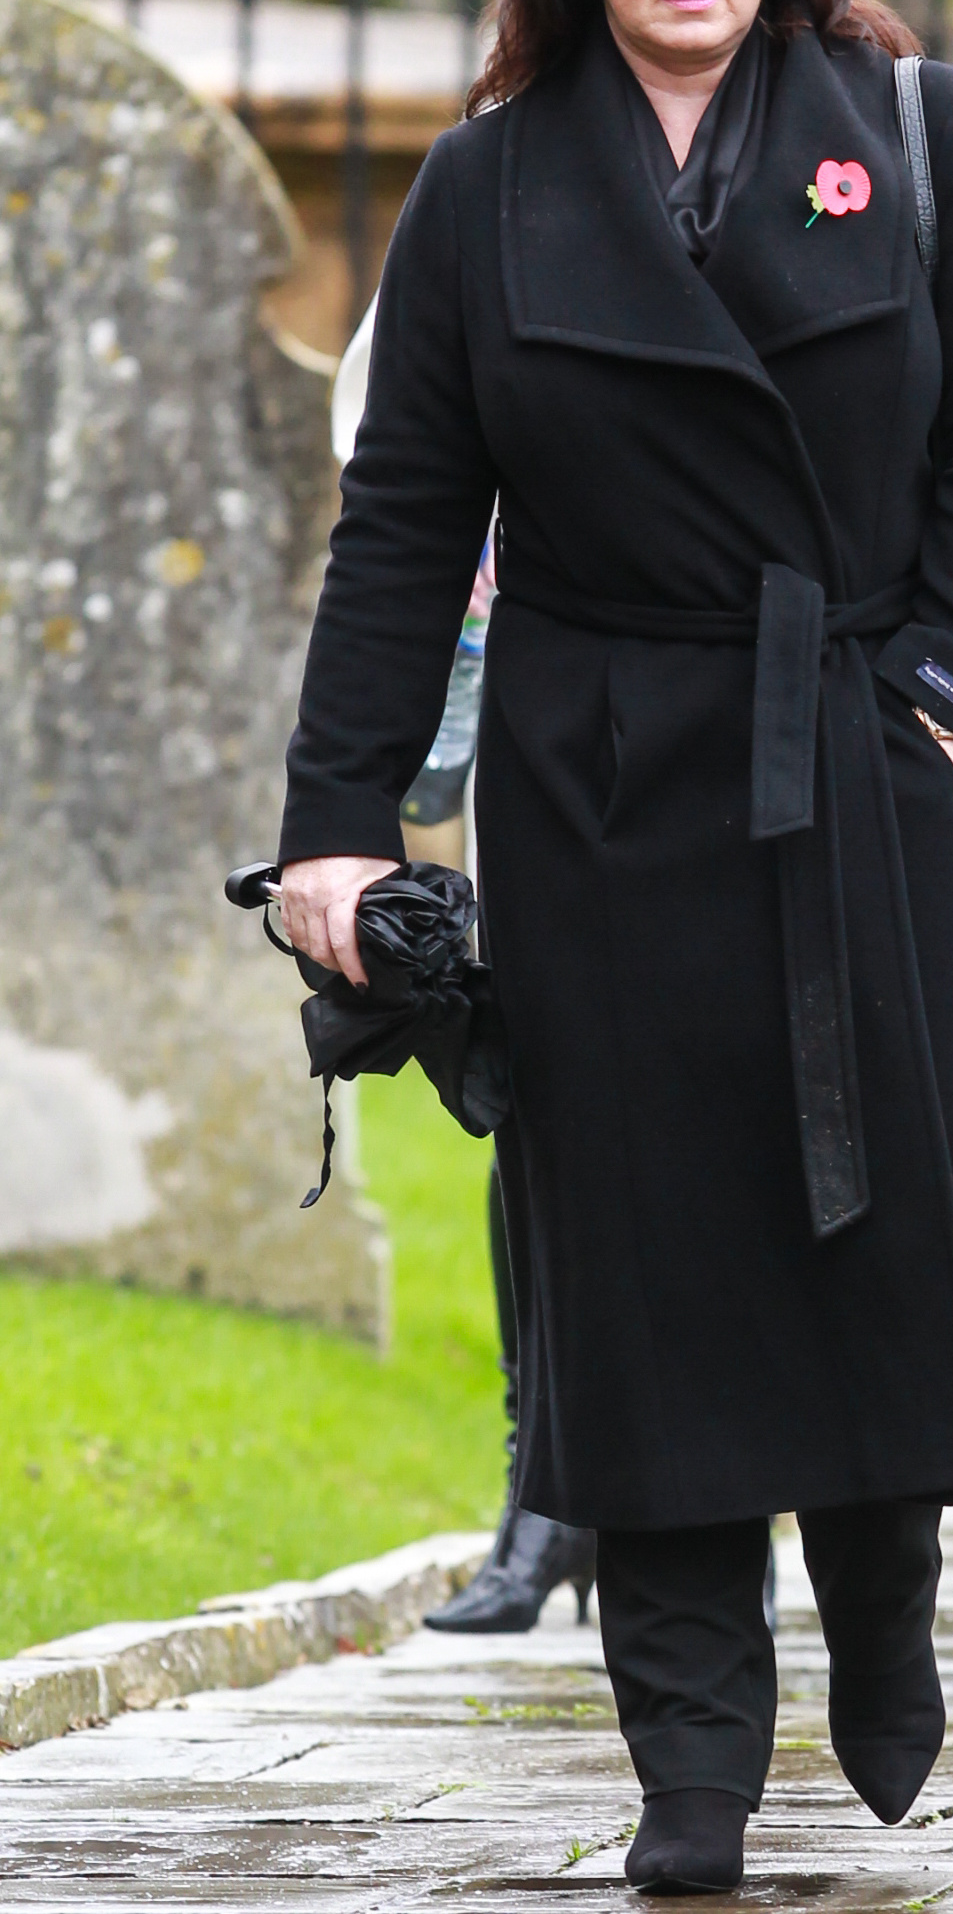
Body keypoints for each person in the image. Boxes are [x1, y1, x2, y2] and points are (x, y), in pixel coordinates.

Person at [278, 0, 953, 1895]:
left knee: (878, 1224)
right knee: (640, 1275)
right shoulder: (485, 185)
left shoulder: (923, 137)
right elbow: (402, 530)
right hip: (598, 784)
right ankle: (691, 1763)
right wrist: (337, 829)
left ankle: (884, 1598)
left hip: (862, 762)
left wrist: (931, 697)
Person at [336, 304, 599, 1634]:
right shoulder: (500, 176)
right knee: (542, 1101)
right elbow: (389, 440)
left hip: (766, 723)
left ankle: (731, 1512)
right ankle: (542, 1488)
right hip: (550, 724)